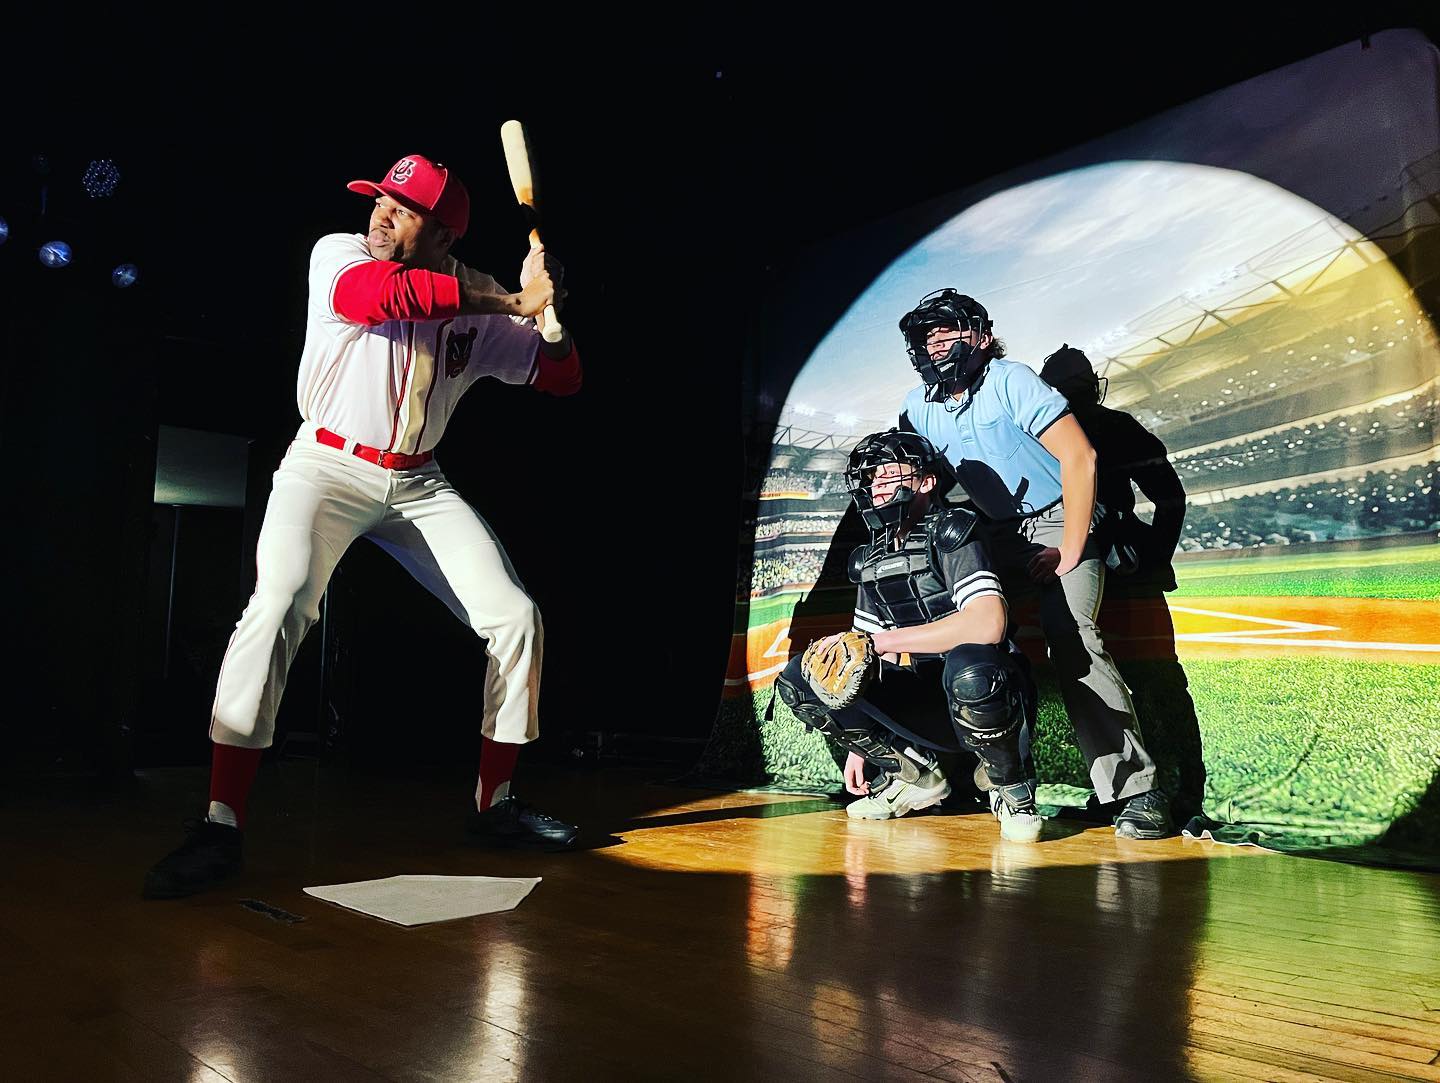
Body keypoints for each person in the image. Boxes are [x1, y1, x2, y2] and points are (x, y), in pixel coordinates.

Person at [144, 154, 582, 900]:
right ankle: (220, 820)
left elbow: (563, 379)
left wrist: (548, 316)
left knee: (515, 617)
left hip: (418, 480)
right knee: (278, 603)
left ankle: (495, 804)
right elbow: (384, 296)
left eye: (402, 209)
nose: (381, 213)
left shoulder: (480, 300)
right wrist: (511, 299)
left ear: (443, 233)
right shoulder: (341, 252)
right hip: (327, 466)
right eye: (381, 198)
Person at [896, 290, 1174, 839]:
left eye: (947, 329)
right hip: (989, 530)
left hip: (1056, 517)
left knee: (1071, 636)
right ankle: (932, 773)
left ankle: (1136, 791)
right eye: (928, 335)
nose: (937, 342)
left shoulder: (1011, 379)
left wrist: (1071, 548)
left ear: (979, 332)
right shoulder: (916, 405)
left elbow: (1079, 457)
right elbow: (911, 478)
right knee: (936, 627)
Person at [776, 429, 1043, 842]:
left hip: (990, 696)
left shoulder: (953, 531)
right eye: (870, 477)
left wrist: (883, 643)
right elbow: (858, 657)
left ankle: (1011, 787)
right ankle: (914, 775)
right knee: (800, 680)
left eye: (888, 472)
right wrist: (858, 747)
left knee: (969, 665)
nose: (877, 483)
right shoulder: (869, 557)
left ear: (926, 480)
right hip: (926, 705)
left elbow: (987, 625)